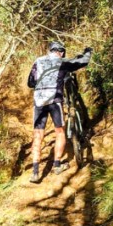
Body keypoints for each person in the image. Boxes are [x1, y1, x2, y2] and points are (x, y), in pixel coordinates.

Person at [27, 40, 92, 182]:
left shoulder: (38, 61)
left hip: (39, 102)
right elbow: (82, 62)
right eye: (63, 52)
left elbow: (30, 82)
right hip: (54, 100)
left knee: (38, 134)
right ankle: (57, 166)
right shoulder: (61, 62)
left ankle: (35, 172)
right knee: (60, 132)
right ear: (60, 52)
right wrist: (88, 52)